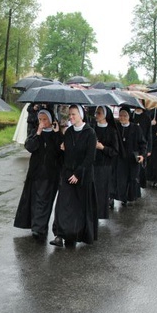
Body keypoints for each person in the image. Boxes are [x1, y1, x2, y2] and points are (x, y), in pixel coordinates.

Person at [49, 104, 98, 248]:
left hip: (83, 175)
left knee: (77, 208)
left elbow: (90, 157)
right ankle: (59, 235)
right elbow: (64, 152)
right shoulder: (69, 131)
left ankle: (73, 234)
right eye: (69, 114)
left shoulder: (90, 133)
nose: (71, 117)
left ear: (81, 115)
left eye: (74, 114)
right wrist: (60, 139)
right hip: (67, 173)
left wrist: (78, 174)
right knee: (62, 205)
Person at [13, 109, 62, 241]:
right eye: (40, 119)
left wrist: (57, 134)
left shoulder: (56, 133)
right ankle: (37, 227)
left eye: (45, 119)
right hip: (36, 173)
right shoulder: (35, 132)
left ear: (51, 120)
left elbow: (60, 151)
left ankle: (40, 227)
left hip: (51, 174)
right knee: (35, 200)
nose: (42, 122)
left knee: (45, 201)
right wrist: (38, 133)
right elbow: (30, 147)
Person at [112, 105, 147, 206]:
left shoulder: (136, 128)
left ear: (129, 116)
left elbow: (143, 143)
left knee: (131, 179)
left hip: (132, 158)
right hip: (120, 159)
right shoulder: (116, 128)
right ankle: (119, 197)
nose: (122, 118)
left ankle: (129, 197)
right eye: (121, 115)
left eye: (125, 115)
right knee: (120, 179)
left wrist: (142, 155)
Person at [91, 105, 119, 218]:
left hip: (104, 165)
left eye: (99, 113)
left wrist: (103, 148)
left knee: (102, 192)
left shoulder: (112, 131)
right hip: (92, 164)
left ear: (105, 116)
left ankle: (99, 214)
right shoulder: (92, 128)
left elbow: (115, 151)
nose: (96, 115)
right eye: (96, 113)